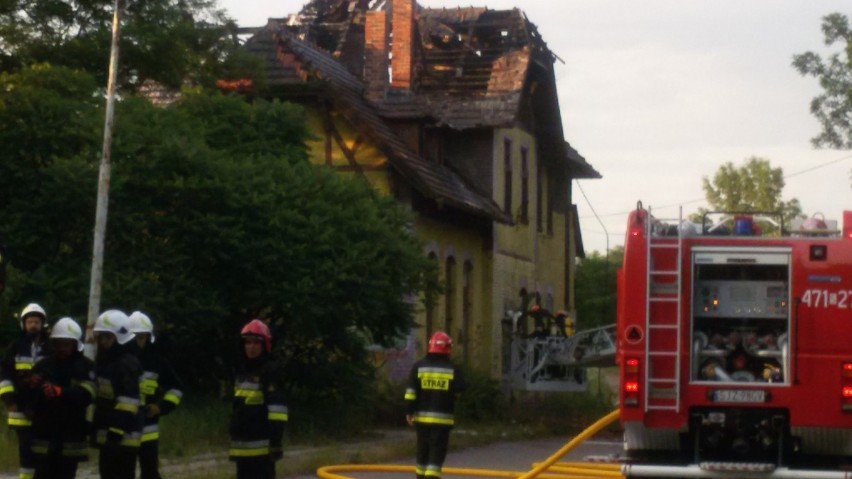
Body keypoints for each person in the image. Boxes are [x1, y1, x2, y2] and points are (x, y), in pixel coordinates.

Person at [28, 317, 95, 479]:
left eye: (67, 344)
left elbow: (88, 395)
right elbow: (29, 400)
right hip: (45, 435)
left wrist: (61, 392)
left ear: (75, 344)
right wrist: (31, 385)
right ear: (53, 343)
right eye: (59, 343)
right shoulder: (43, 365)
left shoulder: (85, 366)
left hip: (71, 435)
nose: (63, 348)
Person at [127, 311, 183, 479]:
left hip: (148, 427)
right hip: (124, 426)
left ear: (148, 337)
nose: (139, 342)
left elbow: (177, 389)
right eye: (136, 337)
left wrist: (161, 407)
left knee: (150, 472)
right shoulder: (119, 360)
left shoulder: (157, 361)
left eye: (142, 337)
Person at [229, 319, 287, 479]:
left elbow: (278, 411)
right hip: (241, 446)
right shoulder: (241, 372)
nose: (251, 347)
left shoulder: (270, 371)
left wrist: (276, 442)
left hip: (262, 448)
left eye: (256, 343)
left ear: (264, 346)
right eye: (248, 343)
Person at [404, 331, 466, 479]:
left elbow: (411, 393)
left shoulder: (418, 367)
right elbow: (462, 388)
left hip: (422, 421)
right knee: (436, 455)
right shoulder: (452, 369)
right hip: (442, 422)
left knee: (422, 452)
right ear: (448, 349)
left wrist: (409, 411)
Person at [91, 310, 143, 479]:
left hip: (123, 438)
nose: (103, 342)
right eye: (101, 337)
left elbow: (128, 403)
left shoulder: (126, 363)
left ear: (119, 338)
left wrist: (115, 433)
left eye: (108, 337)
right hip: (110, 437)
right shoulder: (107, 361)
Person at [1, 303, 49, 479]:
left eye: (36, 321)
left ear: (43, 323)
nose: (33, 325)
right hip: (20, 408)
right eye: (30, 322)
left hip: (44, 408)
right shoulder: (16, 346)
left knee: (43, 452)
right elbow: (4, 373)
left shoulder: (49, 347)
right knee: (26, 451)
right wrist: (8, 398)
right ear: (24, 324)